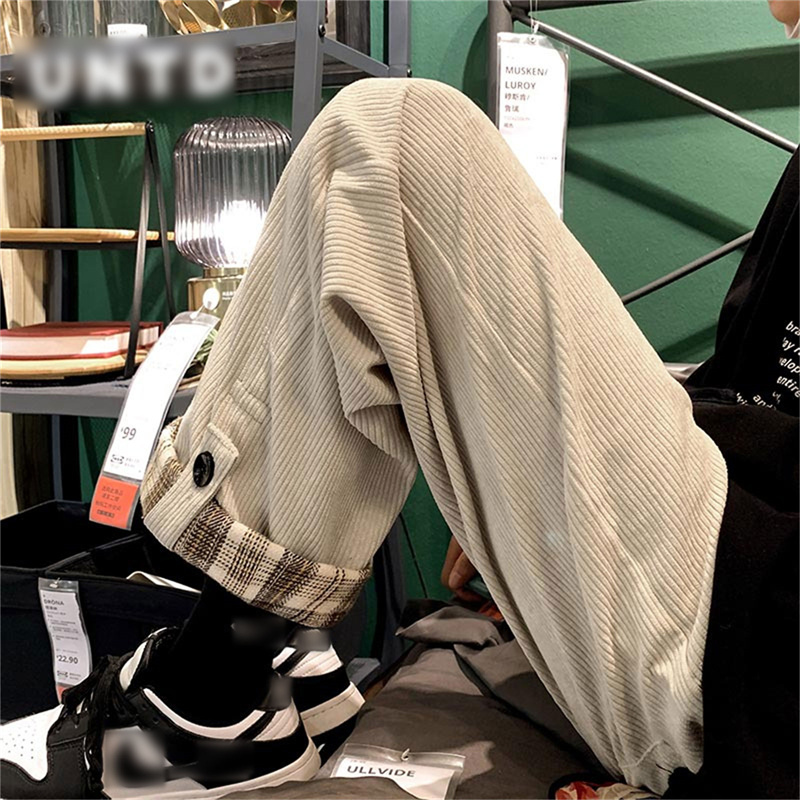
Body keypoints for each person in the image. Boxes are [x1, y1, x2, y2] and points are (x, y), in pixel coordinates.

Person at [2, 5, 797, 798]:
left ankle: (207, 699)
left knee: (390, 138)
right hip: (738, 560)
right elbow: (750, 397)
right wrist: (525, 470)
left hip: (757, 645)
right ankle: (264, 653)